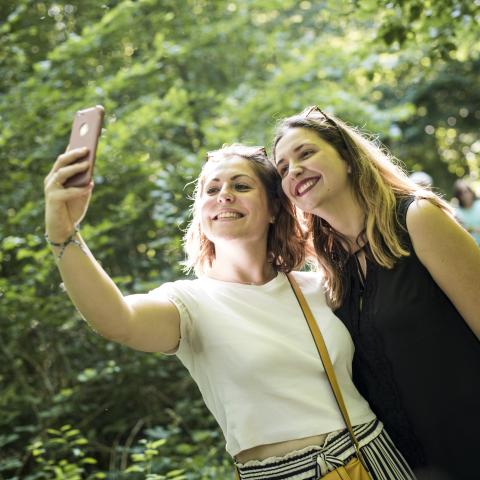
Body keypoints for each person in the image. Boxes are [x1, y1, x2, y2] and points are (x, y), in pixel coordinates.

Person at [44, 144, 415, 480]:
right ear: (201, 211)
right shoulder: (188, 303)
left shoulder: (317, 286)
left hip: (372, 457)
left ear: (273, 208)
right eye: (212, 189)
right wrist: (64, 233)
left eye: (240, 186)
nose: (224, 196)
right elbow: (116, 320)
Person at [272, 106, 480, 480]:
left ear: (349, 159)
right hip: (408, 468)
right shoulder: (333, 274)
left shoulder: (417, 218)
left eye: (305, 153)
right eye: (283, 168)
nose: (294, 170)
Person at [452, 179, 480, 245]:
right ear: (458, 196)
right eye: (461, 193)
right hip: (469, 250)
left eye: (466, 191)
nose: (465, 195)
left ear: (471, 192)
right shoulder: (456, 213)